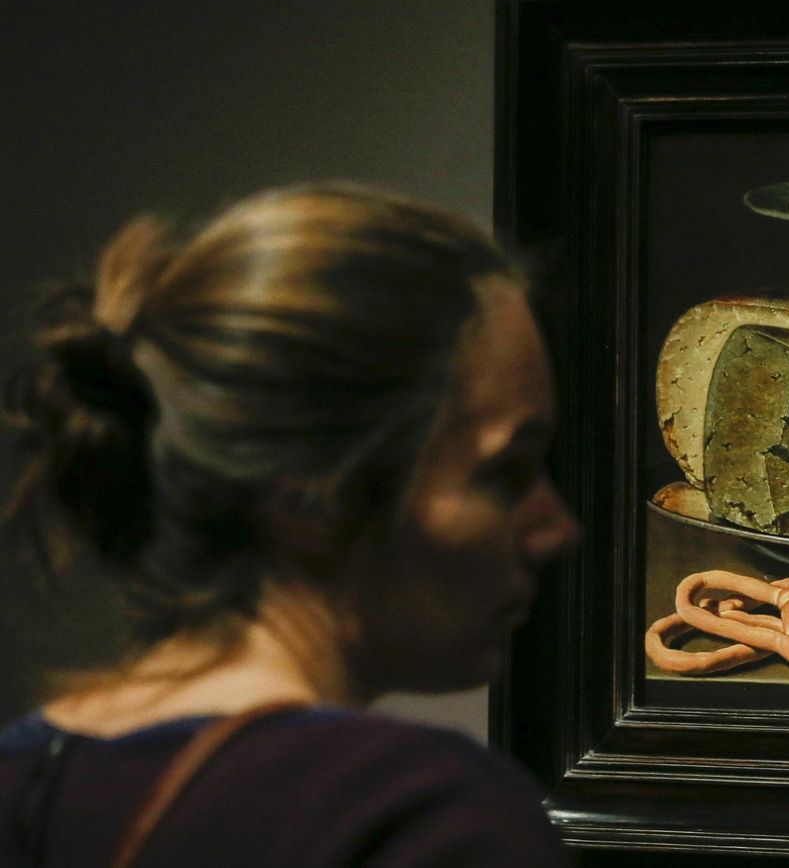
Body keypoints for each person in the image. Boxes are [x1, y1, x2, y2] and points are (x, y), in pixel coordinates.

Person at [0, 183, 582, 866]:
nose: (557, 529)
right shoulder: (427, 822)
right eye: (506, 473)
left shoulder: (23, 779)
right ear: (310, 496)